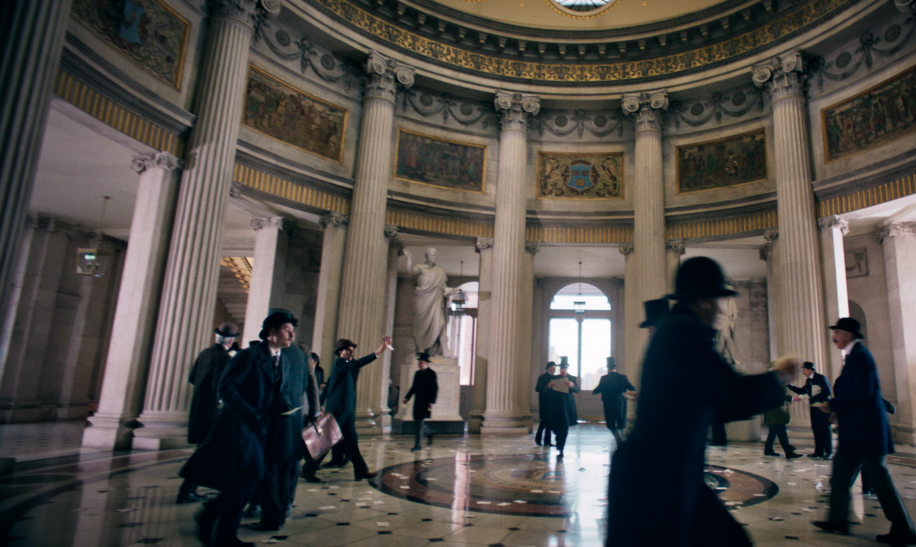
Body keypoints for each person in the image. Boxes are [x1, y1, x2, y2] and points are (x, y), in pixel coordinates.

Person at [607, 257, 797, 547]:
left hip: (664, 472)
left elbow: (713, 400)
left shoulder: (676, 328)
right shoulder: (684, 331)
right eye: (721, 300)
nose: (723, 310)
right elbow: (729, 394)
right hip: (658, 479)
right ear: (706, 301)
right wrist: (778, 377)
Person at [181, 310, 308, 547]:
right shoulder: (248, 356)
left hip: (265, 429)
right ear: (271, 333)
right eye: (286, 329)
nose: (292, 334)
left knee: (248, 478)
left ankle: (217, 522)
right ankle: (216, 521)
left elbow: (277, 391)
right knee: (252, 475)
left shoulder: (280, 358)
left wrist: (285, 409)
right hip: (241, 427)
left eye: (292, 329)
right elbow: (226, 389)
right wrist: (252, 416)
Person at [812, 318, 916, 544]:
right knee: (839, 477)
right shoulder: (854, 356)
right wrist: (838, 410)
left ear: (848, 335)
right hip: (855, 433)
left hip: (866, 433)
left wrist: (833, 404)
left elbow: (863, 392)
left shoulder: (860, 355)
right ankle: (837, 520)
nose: (834, 337)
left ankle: (904, 529)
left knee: (880, 480)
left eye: (837, 332)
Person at [302, 336, 391, 482]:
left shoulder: (343, 367)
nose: (352, 352)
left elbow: (329, 386)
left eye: (352, 350)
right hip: (339, 409)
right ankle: (308, 470)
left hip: (346, 410)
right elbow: (357, 364)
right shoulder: (340, 364)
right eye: (349, 350)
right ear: (340, 352)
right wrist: (376, 353)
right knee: (328, 439)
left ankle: (361, 470)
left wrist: (319, 403)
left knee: (351, 441)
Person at [177, 322, 239, 504]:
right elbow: (221, 388)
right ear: (232, 340)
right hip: (212, 411)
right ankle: (188, 490)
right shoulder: (224, 358)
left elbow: (192, 378)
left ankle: (196, 489)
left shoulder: (205, 353)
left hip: (199, 407)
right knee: (205, 452)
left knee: (205, 450)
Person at [411, 248, 455, 357]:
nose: (434, 257)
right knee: (422, 326)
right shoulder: (420, 268)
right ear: (427, 256)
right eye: (432, 255)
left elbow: (442, 286)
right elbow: (410, 271)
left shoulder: (440, 271)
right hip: (423, 302)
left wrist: (447, 290)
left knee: (440, 324)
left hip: (436, 300)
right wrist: (408, 259)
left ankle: (445, 350)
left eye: (435, 255)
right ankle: (420, 347)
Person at [786, 361, 833, 459]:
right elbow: (803, 391)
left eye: (805, 370)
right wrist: (790, 386)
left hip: (823, 406)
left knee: (825, 429)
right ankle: (818, 452)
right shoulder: (809, 381)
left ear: (811, 370)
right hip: (814, 407)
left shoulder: (820, 378)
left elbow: (827, 391)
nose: (804, 372)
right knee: (816, 429)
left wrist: (814, 398)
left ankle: (828, 452)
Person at [592, 357, 635, 446]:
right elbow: (632, 388)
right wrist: (625, 393)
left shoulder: (604, 379)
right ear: (615, 367)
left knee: (611, 424)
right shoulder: (622, 378)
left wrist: (596, 390)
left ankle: (621, 444)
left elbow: (596, 391)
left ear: (608, 368)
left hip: (608, 404)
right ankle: (622, 443)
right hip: (620, 404)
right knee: (621, 423)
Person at [403, 352, 438, 451]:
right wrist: (407, 398)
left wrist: (432, 401)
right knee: (418, 421)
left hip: (426, 401)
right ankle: (429, 433)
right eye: (419, 362)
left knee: (419, 422)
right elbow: (414, 387)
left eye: (421, 362)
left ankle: (418, 445)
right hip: (418, 401)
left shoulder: (432, 374)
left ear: (426, 363)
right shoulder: (417, 374)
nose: (419, 364)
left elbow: (434, 388)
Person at [547, 358, 579, 458]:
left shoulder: (572, 378)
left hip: (567, 407)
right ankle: (558, 440)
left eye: (564, 368)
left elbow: (577, 389)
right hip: (556, 406)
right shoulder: (555, 378)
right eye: (561, 368)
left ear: (567, 368)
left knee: (564, 428)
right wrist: (549, 386)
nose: (562, 370)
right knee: (556, 427)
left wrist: (572, 385)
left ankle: (561, 448)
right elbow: (547, 391)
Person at [763, 384, 803, 459]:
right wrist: (791, 398)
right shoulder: (774, 382)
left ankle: (768, 449)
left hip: (773, 412)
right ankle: (789, 452)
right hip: (775, 413)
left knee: (773, 432)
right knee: (782, 433)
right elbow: (777, 395)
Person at [534, 361, 557, 447]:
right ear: (548, 368)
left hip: (552, 403)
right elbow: (537, 388)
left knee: (550, 423)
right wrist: (547, 386)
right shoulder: (543, 377)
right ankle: (538, 439)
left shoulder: (555, 378)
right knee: (544, 422)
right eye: (552, 367)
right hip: (545, 403)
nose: (554, 369)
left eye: (554, 368)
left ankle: (547, 441)